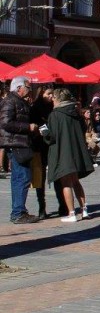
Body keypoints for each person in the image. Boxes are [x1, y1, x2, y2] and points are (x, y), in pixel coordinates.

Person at [41, 89, 95, 223]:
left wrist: (44, 131)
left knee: (66, 183)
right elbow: (83, 129)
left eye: (53, 97)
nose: (52, 99)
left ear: (58, 98)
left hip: (63, 152)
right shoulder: (76, 113)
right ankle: (84, 210)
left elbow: (52, 137)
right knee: (76, 181)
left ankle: (71, 213)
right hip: (76, 151)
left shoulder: (55, 114)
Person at [1, 77, 41, 224]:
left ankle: (18, 211)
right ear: (18, 88)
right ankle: (18, 212)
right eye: (28, 87)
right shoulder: (10, 101)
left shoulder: (19, 101)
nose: (29, 89)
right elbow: (5, 123)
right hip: (16, 143)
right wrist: (27, 127)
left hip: (19, 142)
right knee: (23, 177)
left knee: (19, 178)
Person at [30, 87, 59, 217]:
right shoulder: (35, 107)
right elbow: (34, 123)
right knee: (39, 177)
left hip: (52, 144)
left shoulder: (54, 106)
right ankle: (42, 208)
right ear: (42, 93)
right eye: (48, 94)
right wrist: (44, 128)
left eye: (52, 94)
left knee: (57, 173)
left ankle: (63, 205)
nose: (51, 96)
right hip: (39, 145)